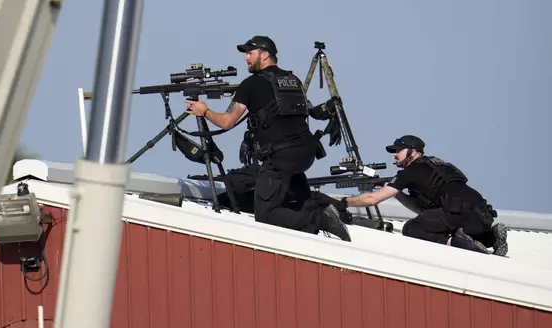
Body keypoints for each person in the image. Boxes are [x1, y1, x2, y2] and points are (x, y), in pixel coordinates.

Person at [184, 35, 350, 241]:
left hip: (281, 157)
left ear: (264, 55)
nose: (246, 58)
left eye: (249, 53)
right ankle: (324, 210)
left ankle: (319, 220)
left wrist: (204, 111)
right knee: (297, 199)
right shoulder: (293, 80)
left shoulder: (251, 84)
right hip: (305, 153)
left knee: (265, 214)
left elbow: (227, 121)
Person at [338, 135, 508, 255]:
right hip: (481, 214)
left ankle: (459, 243)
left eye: (398, 150)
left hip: (457, 213)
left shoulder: (409, 172)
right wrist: (395, 192)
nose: (395, 155)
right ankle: (491, 238)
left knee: (412, 228)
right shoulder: (438, 165)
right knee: (437, 220)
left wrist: (343, 202)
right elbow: (420, 209)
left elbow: (373, 199)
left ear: (412, 151)